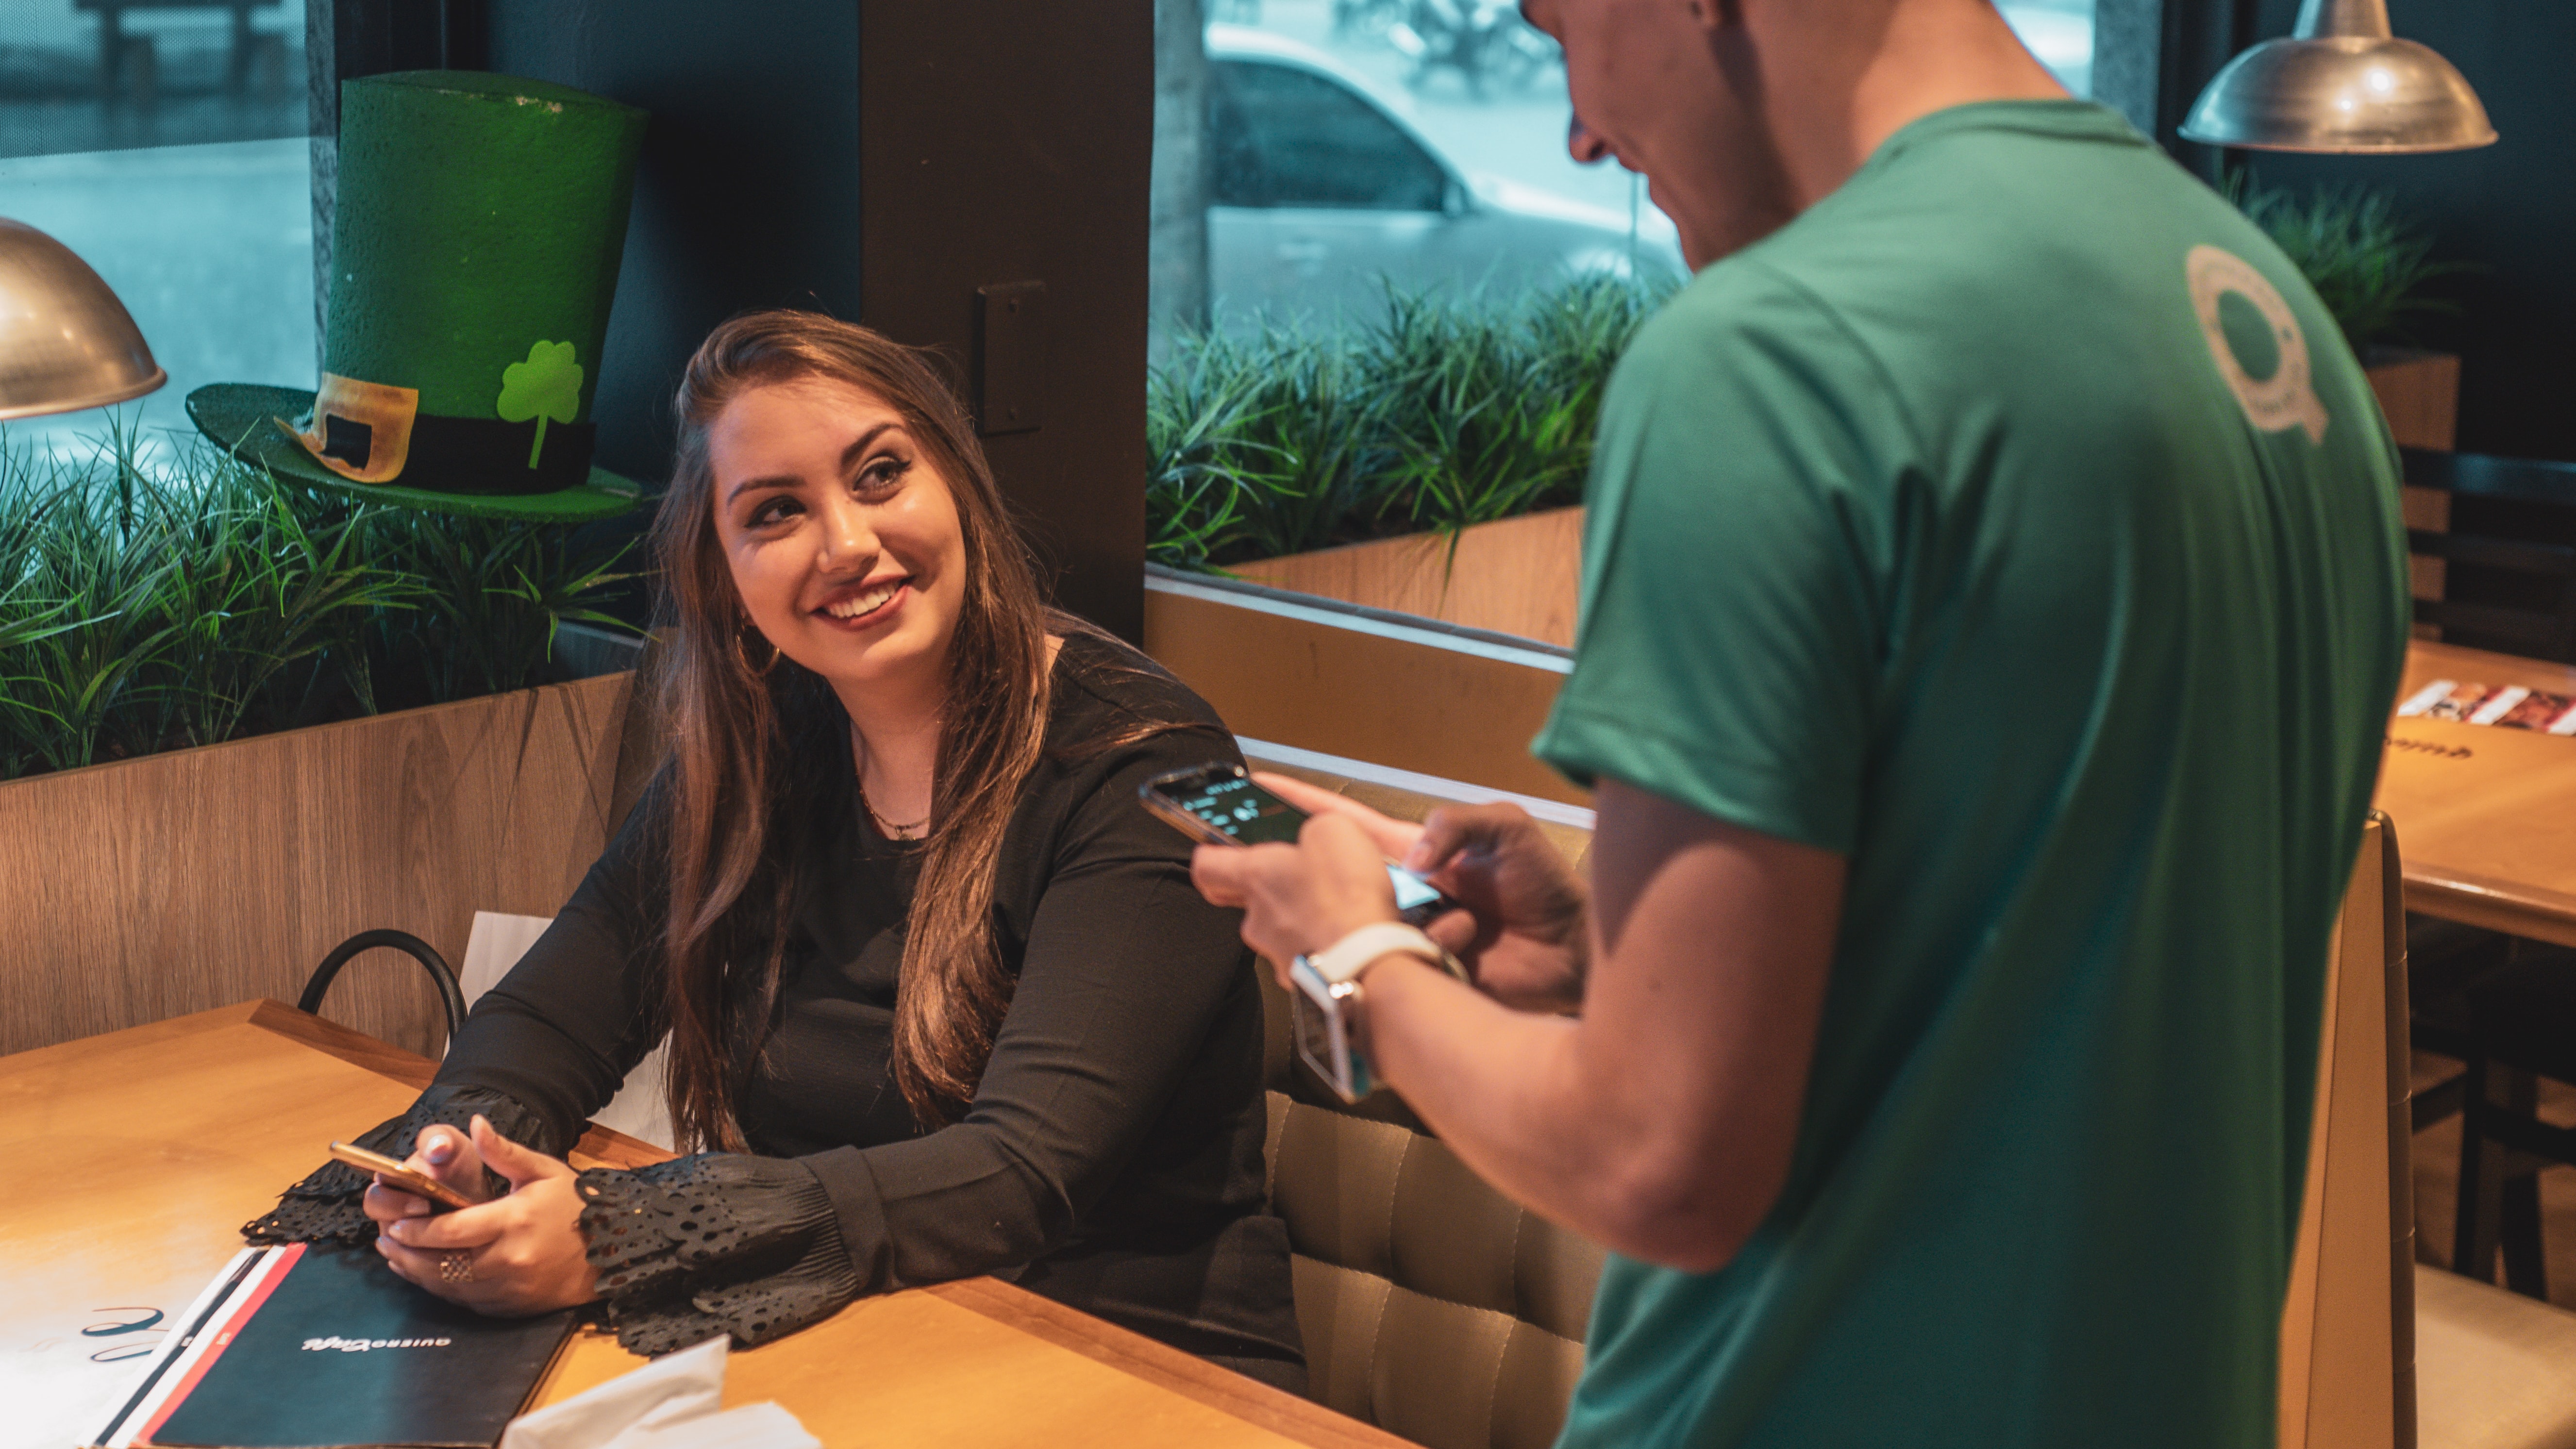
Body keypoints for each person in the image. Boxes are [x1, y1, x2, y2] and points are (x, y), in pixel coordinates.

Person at [1189, 0, 2409, 1443]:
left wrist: (1362, 959)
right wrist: (1612, 966)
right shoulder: (2267, 328)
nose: (1576, 125)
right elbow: (2051, 976)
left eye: (1555, 21)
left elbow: (1659, 1166)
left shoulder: (1770, 357)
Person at [244, 311, 1305, 1391]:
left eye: (881, 473)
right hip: (868, 1348)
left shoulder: (1152, 762)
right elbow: (550, 1013)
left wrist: (615, 1234)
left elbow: (1024, 1172)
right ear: (724, 569)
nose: (846, 543)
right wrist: (463, 1160)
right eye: (777, 512)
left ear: (959, 483)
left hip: (1141, 1371)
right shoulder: (766, 738)